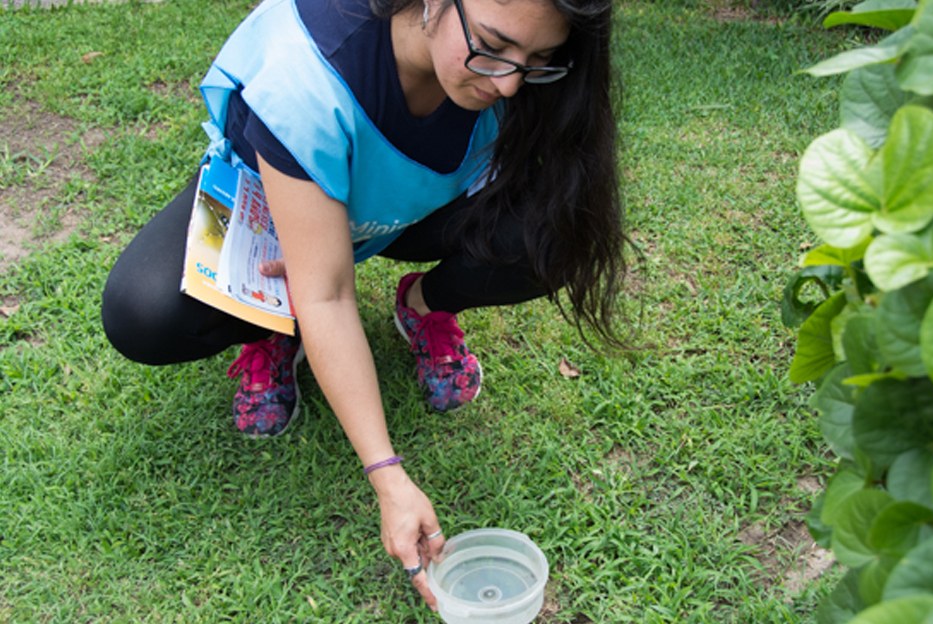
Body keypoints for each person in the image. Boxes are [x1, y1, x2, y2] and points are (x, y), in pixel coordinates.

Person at [101, 0, 625, 609]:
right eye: (491, 46)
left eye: (537, 60)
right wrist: (388, 477)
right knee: (145, 313)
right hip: (276, 209)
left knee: (562, 231)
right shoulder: (306, 74)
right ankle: (269, 317)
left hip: (395, 208)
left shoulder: (518, 66)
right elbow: (327, 295)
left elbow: (553, 183)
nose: (509, 82)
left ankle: (423, 305)